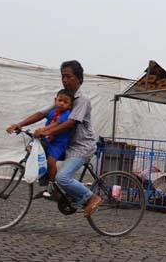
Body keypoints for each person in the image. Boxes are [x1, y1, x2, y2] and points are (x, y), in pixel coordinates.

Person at [6, 60, 102, 217]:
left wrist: (46, 132)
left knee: (63, 177)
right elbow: (42, 113)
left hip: (81, 147)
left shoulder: (82, 100)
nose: (65, 80)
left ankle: (92, 198)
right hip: (65, 144)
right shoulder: (64, 98)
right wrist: (19, 124)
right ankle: (52, 190)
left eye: (68, 76)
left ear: (78, 78)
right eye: (63, 76)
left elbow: (70, 122)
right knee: (40, 152)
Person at [37, 88, 74, 195]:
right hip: (49, 140)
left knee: (51, 161)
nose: (62, 103)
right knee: (39, 154)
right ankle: (43, 179)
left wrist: (42, 131)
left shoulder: (67, 113)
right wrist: (42, 131)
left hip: (59, 143)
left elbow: (55, 125)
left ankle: (52, 184)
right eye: (60, 100)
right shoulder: (52, 112)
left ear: (70, 105)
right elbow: (48, 125)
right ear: (55, 100)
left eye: (65, 102)